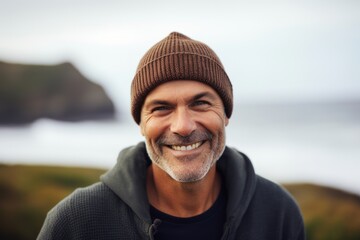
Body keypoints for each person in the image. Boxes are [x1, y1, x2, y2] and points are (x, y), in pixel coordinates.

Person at [38, 32, 305, 240]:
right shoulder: (76, 221)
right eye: (162, 108)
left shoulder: (277, 212)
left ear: (226, 114)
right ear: (141, 124)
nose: (183, 126)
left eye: (200, 103)